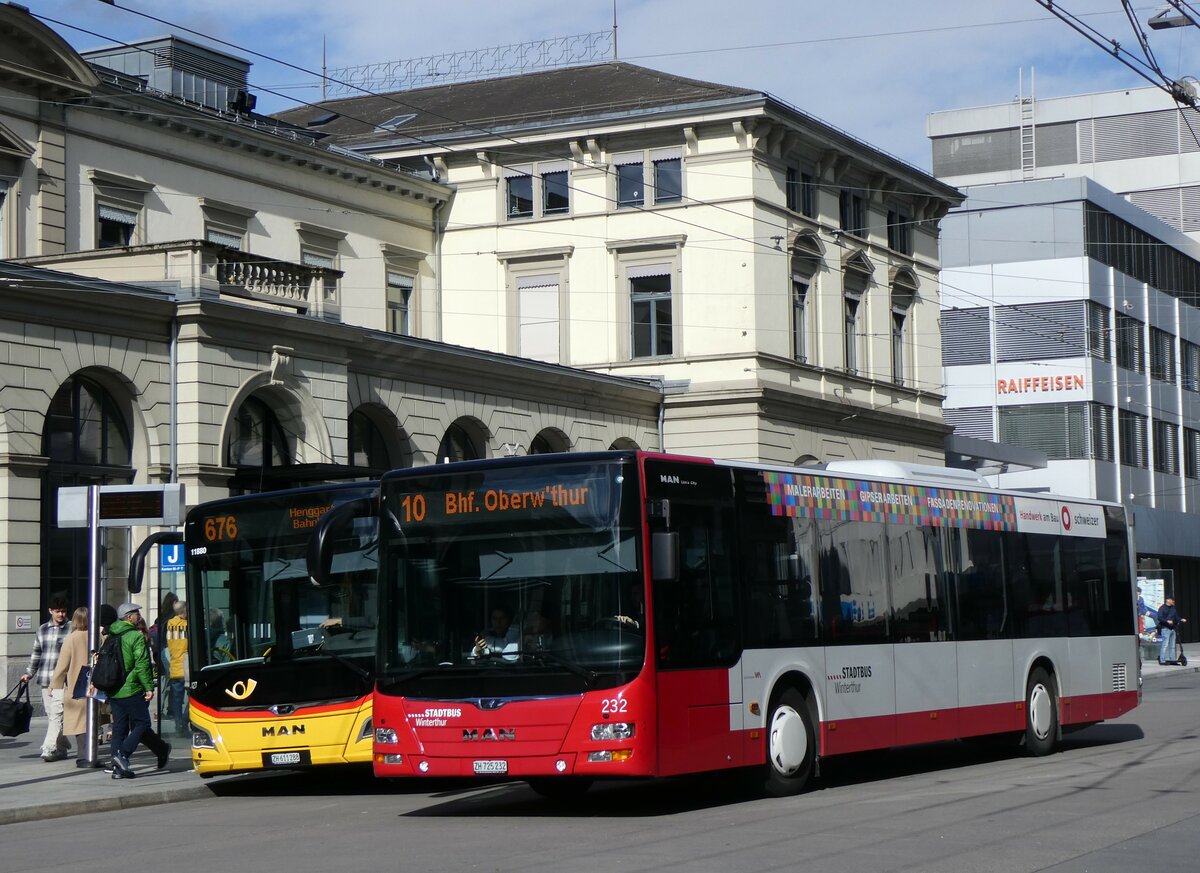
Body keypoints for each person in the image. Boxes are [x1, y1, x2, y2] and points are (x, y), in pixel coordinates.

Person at [106, 602, 160, 779]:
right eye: (136, 613)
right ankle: (123, 754)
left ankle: (117, 768)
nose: (139, 615)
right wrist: (148, 687)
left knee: (119, 728)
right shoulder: (135, 636)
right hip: (131, 688)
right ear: (129, 617)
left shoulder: (112, 633)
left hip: (114, 689)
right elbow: (142, 665)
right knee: (142, 723)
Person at [20, 594, 72, 762]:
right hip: (45, 679)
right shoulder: (42, 629)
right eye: (57, 611)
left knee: (57, 715)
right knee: (53, 715)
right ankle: (63, 747)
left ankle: (49, 748)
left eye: (63, 611)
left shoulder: (72, 628)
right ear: (50, 611)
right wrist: (28, 673)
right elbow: (36, 654)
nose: (61, 615)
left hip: (64, 680)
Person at [47, 607, 89, 762]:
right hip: (94, 683)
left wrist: (54, 684)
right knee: (90, 719)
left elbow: (62, 665)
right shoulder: (96, 635)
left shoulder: (71, 639)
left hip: (76, 684)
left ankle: (83, 755)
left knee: (79, 721)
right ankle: (90, 753)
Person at [164, 601, 189, 736]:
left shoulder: (170, 624)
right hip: (186, 667)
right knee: (193, 698)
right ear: (184, 612)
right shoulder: (187, 626)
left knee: (177, 699)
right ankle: (184, 722)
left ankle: (178, 723)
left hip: (174, 666)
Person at [1158, 597, 1187, 665]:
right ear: (1168, 600)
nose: (1173, 602)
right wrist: (1167, 621)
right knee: (1165, 645)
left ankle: (1172, 660)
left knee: (1172, 645)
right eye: (1172, 600)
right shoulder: (1162, 608)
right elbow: (1159, 617)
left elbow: (1176, 617)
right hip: (1165, 628)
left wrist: (1181, 619)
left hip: (1173, 629)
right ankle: (1162, 660)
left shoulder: (1173, 608)